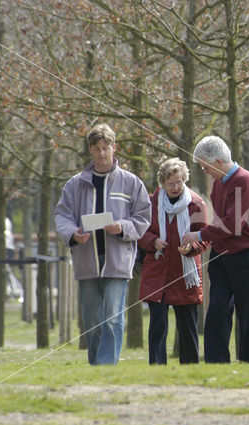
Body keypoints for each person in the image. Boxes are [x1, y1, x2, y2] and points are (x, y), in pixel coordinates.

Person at [54, 123, 151, 365]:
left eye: (106, 148)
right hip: (87, 260)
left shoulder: (131, 183)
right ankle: (96, 363)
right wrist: (73, 234)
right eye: (96, 148)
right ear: (90, 150)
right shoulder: (74, 185)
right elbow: (62, 215)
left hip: (118, 260)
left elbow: (143, 217)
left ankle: (106, 366)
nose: (102, 153)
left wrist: (123, 227)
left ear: (114, 148)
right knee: (93, 319)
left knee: (113, 317)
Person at [181, 135, 249, 363]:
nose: (205, 171)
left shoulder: (244, 181)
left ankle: (248, 362)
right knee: (218, 310)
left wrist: (199, 234)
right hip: (222, 255)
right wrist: (203, 242)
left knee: (247, 314)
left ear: (218, 162)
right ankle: (216, 362)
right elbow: (221, 224)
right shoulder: (218, 183)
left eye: (206, 166)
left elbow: (232, 225)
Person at [138, 158, 209, 365]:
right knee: (157, 325)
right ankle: (157, 367)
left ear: (185, 179)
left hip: (185, 273)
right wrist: (153, 241)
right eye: (171, 183)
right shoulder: (151, 203)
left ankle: (191, 367)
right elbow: (141, 232)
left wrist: (192, 248)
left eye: (179, 182)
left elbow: (204, 238)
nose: (176, 187)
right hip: (157, 272)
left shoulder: (197, 204)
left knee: (187, 326)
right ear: (162, 184)